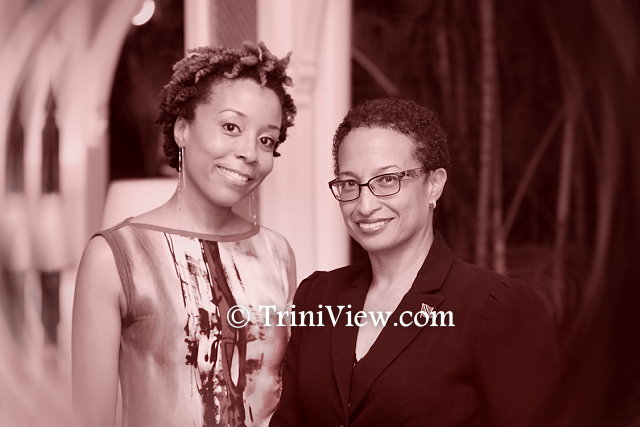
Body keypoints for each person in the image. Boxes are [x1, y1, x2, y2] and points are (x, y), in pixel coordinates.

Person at [271, 98, 556, 427]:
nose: (365, 206)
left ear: (434, 185)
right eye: (350, 184)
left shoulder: (496, 307)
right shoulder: (318, 296)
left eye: (387, 180)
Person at [72, 41, 297, 427]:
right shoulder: (115, 256)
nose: (250, 152)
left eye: (266, 140)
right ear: (182, 130)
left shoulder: (277, 253)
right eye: (231, 127)